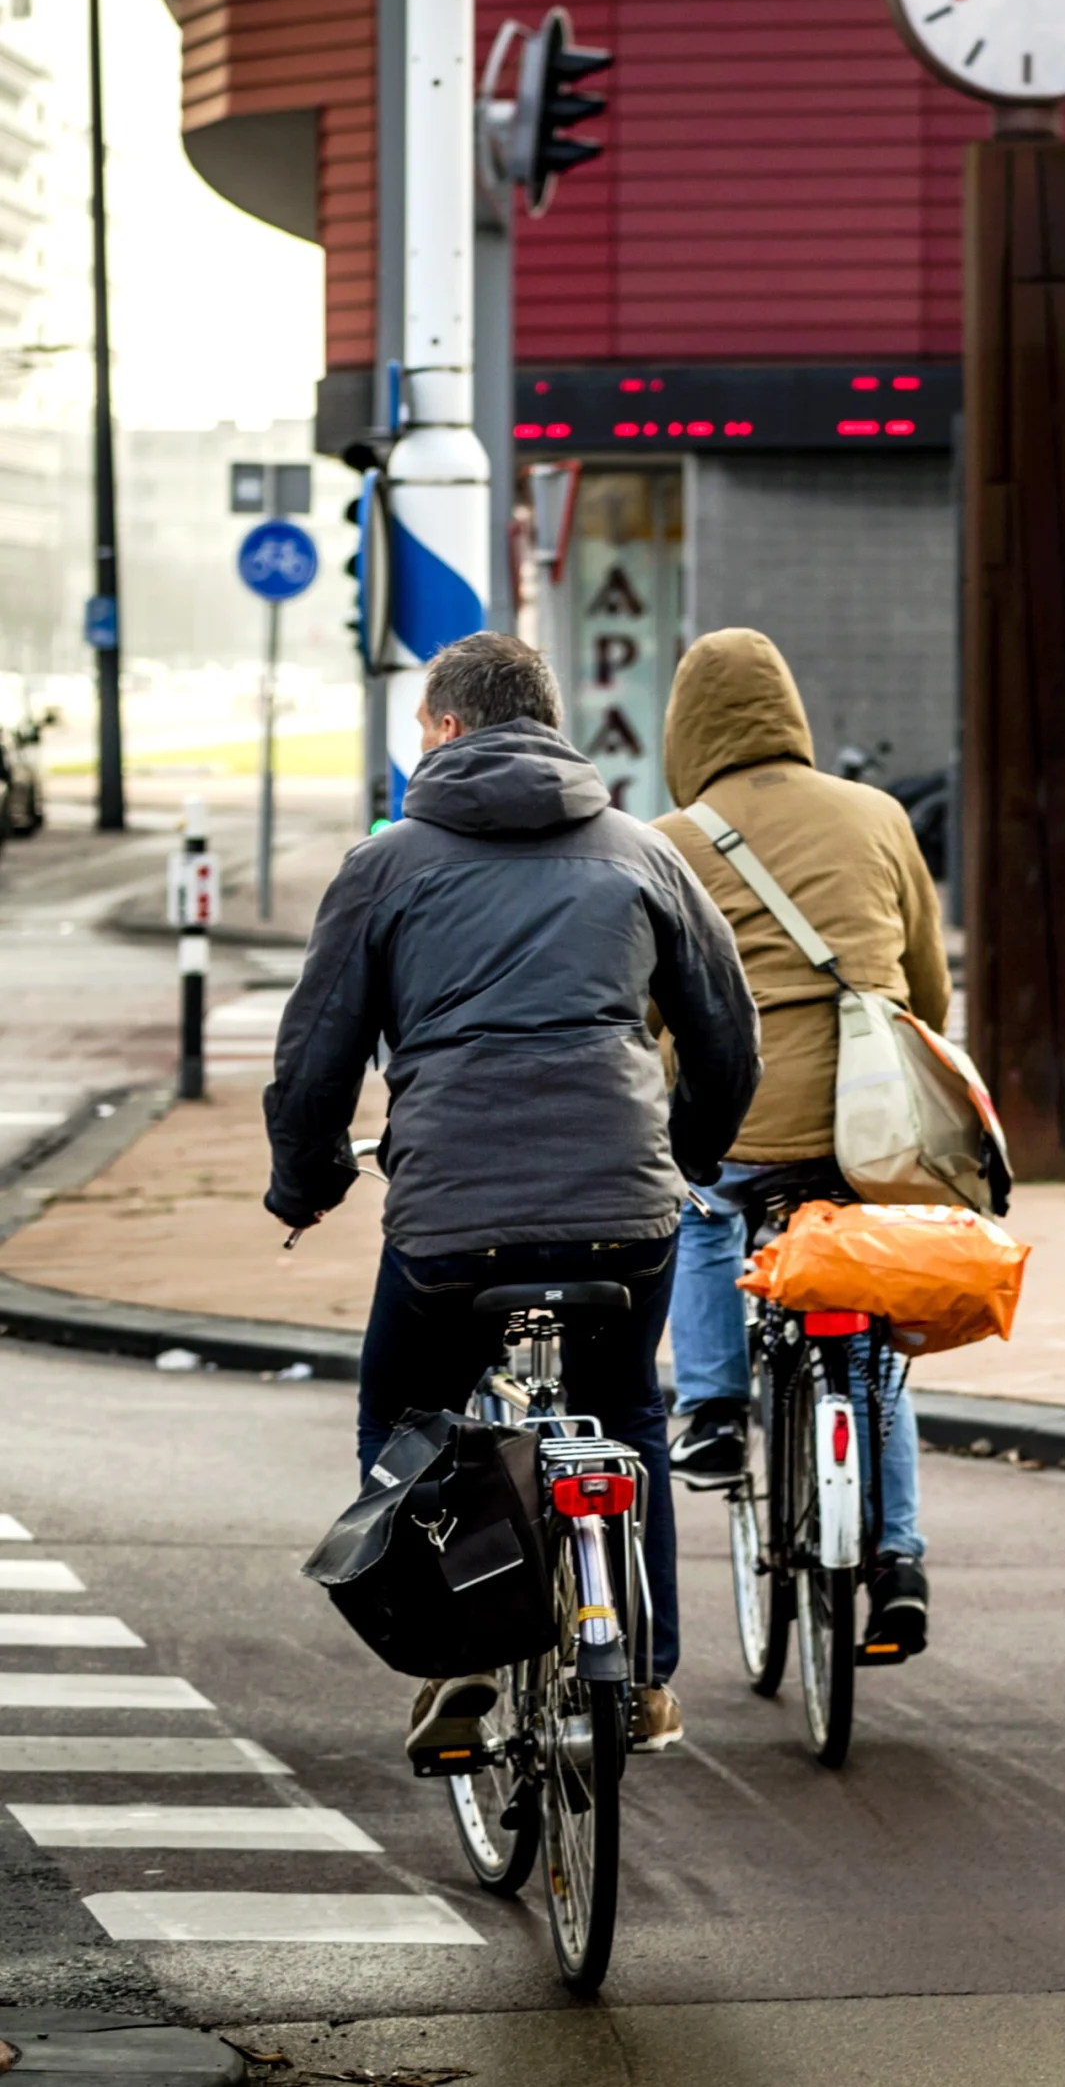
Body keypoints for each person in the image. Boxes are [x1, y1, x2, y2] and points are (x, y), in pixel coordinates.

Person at [264, 633, 761, 1764]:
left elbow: (314, 1061)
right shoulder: (642, 850)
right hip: (623, 1217)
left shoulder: (382, 867)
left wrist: (308, 1182)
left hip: (450, 1225)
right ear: (548, 718)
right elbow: (728, 1038)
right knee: (627, 1413)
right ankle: (638, 1674)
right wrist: (686, 1157)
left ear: (441, 728)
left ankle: (457, 1659)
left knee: (409, 1416)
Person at [647, 629, 949, 1662]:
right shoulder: (878, 814)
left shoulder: (669, 839)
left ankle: (717, 1409)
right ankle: (900, 1557)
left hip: (744, 1121)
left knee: (704, 1210)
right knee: (870, 1345)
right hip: (871, 1132)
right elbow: (929, 985)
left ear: (686, 727)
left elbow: (649, 1005)